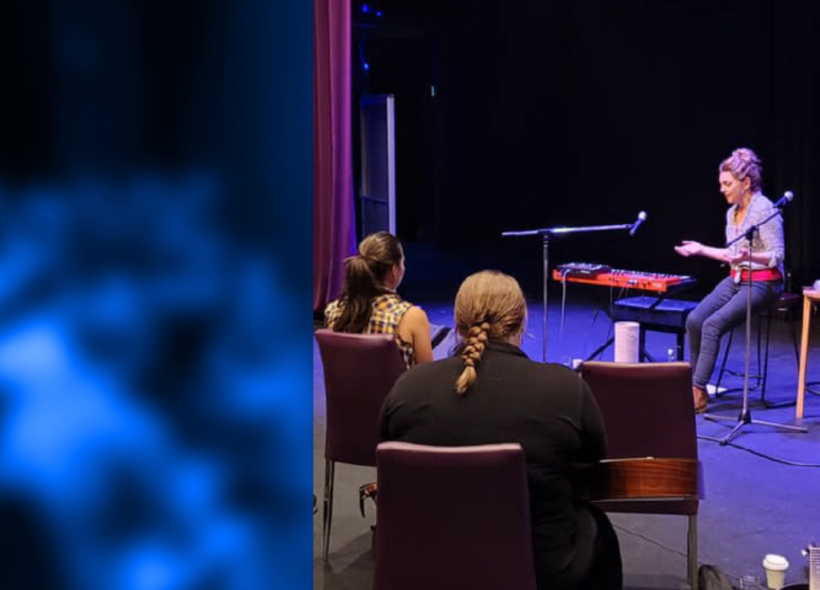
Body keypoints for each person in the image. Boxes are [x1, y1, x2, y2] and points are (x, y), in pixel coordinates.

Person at [379, 270, 622, 590]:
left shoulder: (408, 388)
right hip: (542, 570)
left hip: (426, 565)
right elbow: (594, 462)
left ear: (458, 323)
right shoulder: (565, 389)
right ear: (523, 323)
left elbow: (390, 460)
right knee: (598, 530)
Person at [675, 148, 785, 412]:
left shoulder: (764, 209)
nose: (723, 189)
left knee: (712, 325)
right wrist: (700, 249)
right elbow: (732, 255)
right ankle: (694, 384)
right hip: (737, 278)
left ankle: (697, 392)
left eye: (727, 184)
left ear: (745, 183)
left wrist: (752, 256)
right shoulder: (731, 213)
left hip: (764, 282)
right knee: (694, 319)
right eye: (721, 184)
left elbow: (778, 254)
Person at [324, 231, 433, 368]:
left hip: (345, 389)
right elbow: (426, 378)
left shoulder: (333, 310)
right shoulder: (412, 317)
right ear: (395, 270)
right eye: (403, 262)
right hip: (397, 390)